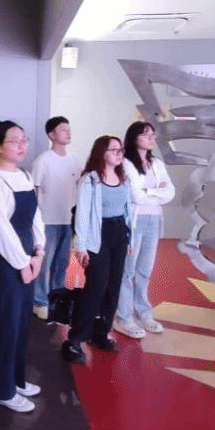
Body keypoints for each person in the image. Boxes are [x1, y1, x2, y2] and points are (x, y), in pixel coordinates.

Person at [0, 121, 45, 413]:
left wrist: (39, 251)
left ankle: (16, 379)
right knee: (4, 324)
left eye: (24, 140)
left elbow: (35, 218)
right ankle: (1, 389)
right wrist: (22, 263)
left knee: (21, 323)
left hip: (28, 257)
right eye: (14, 141)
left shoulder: (24, 175)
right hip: (6, 263)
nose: (21, 145)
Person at [63, 136, 134, 364]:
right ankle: (75, 339)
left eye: (120, 149)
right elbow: (82, 214)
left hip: (119, 233)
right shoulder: (90, 180)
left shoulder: (123, 177)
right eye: (113, 150)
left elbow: (128, 209)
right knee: (96, 286)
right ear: (101, 152)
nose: (118, 153)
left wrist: (129, 238)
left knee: (113, 287)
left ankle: (101, 332)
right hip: (98, 235)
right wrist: (80, 246)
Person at [114, 122, 175, 339]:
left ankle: (144, 312)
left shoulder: (156, 163)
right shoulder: (126, 163)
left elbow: (171, 192)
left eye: (153, 134)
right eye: (146, 134)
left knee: (144, 270)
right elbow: (135, 196)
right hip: (135, 220)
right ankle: (124, 317)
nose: (151, 138)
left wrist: (150, 191)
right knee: (127, 270)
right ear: (134, 138)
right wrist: (156, 190)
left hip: (154, 219)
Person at [31, 116, 81, 320]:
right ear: (51, 135)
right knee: (44, 264)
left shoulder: (74, 159)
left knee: (62, 263)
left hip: (67, 219)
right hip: (47, 220)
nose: (68, 132)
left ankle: (57, 298)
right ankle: (39, 301)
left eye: (69, 129)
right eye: (63, 129)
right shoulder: (43, 160)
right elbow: (34, 191)